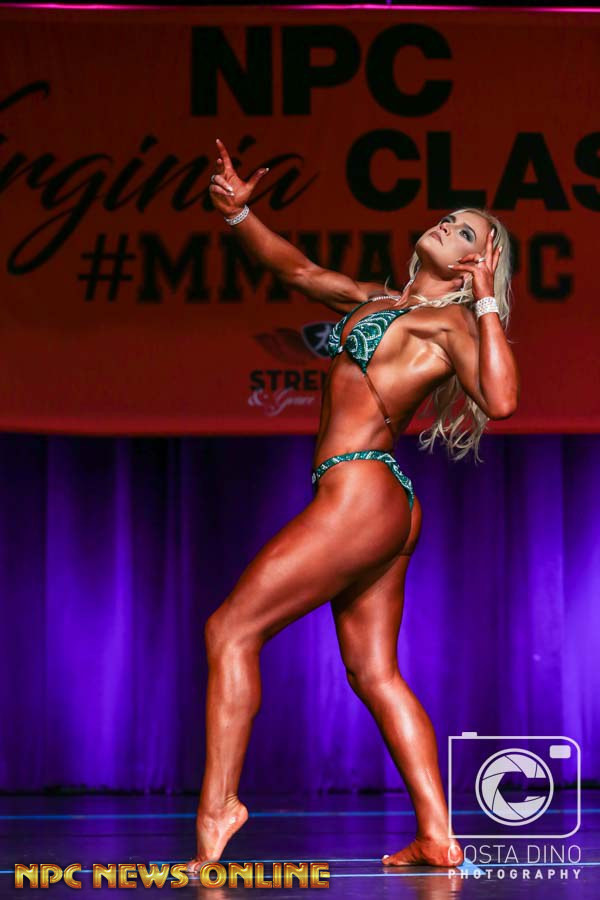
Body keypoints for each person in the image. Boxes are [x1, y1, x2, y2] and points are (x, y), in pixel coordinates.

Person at [187, 138, 520, 874]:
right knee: (374, 674)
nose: (447, 225)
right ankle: (438, 835)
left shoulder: (450, 325)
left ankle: (219, 808)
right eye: (449, 218)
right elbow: (297, 269)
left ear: (475, 262)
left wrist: (486, 301)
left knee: (229, 630)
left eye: (465, 230)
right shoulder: (378, 301)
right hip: (381, 500)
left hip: (361, 488)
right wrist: (240, 216)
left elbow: (500, 399)